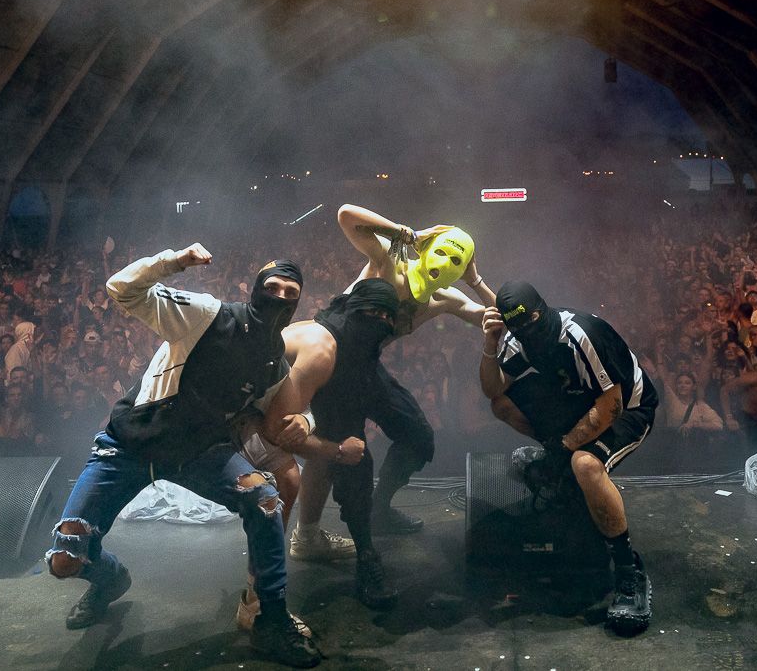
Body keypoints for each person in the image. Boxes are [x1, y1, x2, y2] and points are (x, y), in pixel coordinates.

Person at [44, 244, 320, 668]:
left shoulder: (274, 361)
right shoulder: (209, 315)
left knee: (264, 500)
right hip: (128, 447)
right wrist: (173, 262)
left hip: (198, 453)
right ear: (254, 289)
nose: (281, 297)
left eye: (291, 292)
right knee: (65, 559)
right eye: (273, 287)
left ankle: (270, 619)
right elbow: (121, 289)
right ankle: (109, 579)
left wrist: (308, 423)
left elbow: (291, 411)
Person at [293, 204, 494, 543]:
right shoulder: (389, 260)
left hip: (366, 367)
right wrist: (407, 233)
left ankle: (379, 510)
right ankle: (308, 536)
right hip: (329, 358)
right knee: (335, 452)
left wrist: (474, 279)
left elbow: (495, 318)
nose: (445, 264)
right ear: (427, 247)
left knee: (418, 437)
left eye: (456, 262)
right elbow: (347, 216)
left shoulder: (444, 298)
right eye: (442, 252)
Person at [480, 281, 658, 635]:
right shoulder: (520, 338)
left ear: (541, 312)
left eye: (532, 326)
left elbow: (610, 408)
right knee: (502, 404)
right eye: (521, 331)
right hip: (579, 398)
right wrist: (490, 345)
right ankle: (559, 457)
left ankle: (629, 572)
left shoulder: (581, 334)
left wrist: (563, 451)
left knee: (585, 465)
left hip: (628, 408)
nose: (529, 336)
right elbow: (493, 389)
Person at [276, 279, 406, 610]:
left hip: (278, 400)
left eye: (386, 315)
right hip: (235, 411)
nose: (381, 322)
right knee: (272, 487)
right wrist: (332, 446)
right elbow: (279, 430)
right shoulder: (323, 348)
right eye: (373, 313)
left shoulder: (348, 331)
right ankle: (261, 603)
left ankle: (306, 539)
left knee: (324, 457)